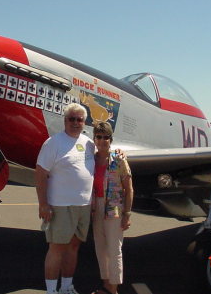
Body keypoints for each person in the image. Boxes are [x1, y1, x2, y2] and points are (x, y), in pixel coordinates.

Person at [36, 103, 95, 294]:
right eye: (72, 119)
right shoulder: (53, 142)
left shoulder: (88, 143)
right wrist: (43, 204)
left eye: (79, 119)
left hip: (83, 206)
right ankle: (51, 291)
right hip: (61, 206)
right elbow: (40, 173)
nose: (75, 123)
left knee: (74, 247)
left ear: (84, 122)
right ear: (65, 121)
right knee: (57, 249)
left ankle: (67, 287)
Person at [91, 122, 133, 294]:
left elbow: (129, 188)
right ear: (94, 139)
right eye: (99, 137)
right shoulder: (90, 158)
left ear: (111, 139)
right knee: (100, 249)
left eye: (106, 137)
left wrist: (127, 214)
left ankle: (114, 289)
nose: (102, 140)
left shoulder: (119, 158)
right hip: (96, 208)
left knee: (114, 250)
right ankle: (106, 285)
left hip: (114, 209)